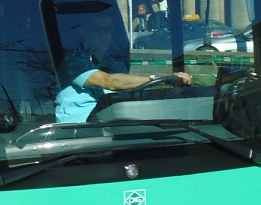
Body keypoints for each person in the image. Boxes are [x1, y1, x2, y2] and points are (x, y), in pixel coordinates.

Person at [56, 7, 191, 123]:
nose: (104, 35)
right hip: (76, 131)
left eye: (108, 29)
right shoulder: (72, 60)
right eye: (97, 30)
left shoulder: (112, 63)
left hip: (108, 125)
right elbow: (111, 82)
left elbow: (126, 89)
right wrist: (161, 80)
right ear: (82, 31)